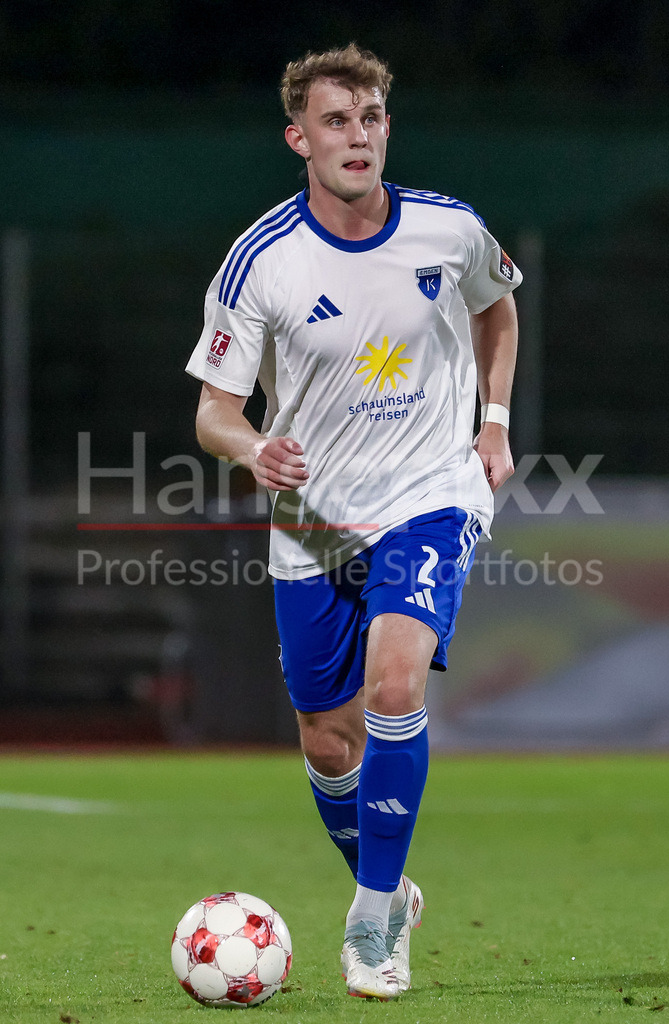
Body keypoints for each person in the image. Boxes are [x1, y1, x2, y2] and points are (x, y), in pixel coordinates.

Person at [186, 43, 521, 1000]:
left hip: (429, 495)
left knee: (393, 677)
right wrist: (254, 451)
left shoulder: (449, 231)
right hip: (313, 527)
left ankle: (373, 923)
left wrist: (491, 424)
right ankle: (388, 886)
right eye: (336, 120)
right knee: (328, 743)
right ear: (298, 138)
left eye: (371, 117)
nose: (358, 136)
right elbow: (213, 412)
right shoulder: (261, 260)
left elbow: (499, 309)